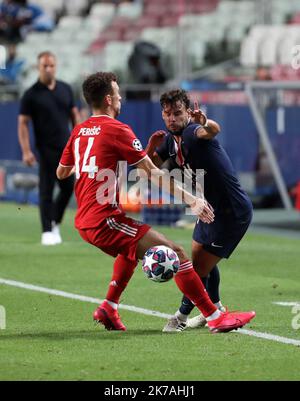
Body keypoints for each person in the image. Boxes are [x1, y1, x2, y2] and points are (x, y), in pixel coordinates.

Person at [56, 71, 255, 333]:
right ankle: (215, 317)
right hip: (105, 220)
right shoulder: (118, 129)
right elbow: (151, 172)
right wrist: (191, 199)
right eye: (117, 94)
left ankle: (109, 307)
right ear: (108, 99)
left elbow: (62, 172)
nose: (120, 98)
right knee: (177, 253)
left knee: (131, 253)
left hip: (85, 218)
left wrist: (96, 167)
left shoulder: (80, 131)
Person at [146, 89, 253, 332]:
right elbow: (148, 168)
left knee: (197, 269)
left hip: (231, 212)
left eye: (177, 113)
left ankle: (180, 318)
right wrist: (151, 146)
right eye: (167, 114)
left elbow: (213, 130)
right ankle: (215, 307)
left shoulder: (193, 131)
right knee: (197, 258)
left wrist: (204, 120)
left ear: (187, 113)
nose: (172, 118)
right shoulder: (171, 143)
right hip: (207, 207)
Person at [18, 51, 81, 245]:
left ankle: (54, 221)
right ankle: (46, 231)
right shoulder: (31, 94)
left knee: (68, 187)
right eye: (44, 66)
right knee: (46, 191)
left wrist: (81, 140)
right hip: (45, 150)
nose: (48, 69)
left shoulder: (65, 89)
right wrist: (26, 151)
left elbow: (75, 116)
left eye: (51, 65)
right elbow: (22, 124)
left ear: (56, 66)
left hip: (66, 149)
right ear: (38, 68)